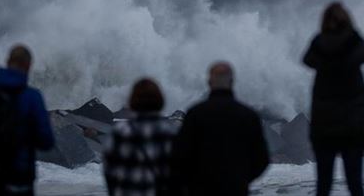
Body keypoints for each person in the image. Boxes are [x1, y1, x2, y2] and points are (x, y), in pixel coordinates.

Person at [303, 2, 364, 196]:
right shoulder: (353, 41)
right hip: (352, 129)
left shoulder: (319, 43)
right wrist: (352, 33)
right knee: (355, 185)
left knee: (323, 185)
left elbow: (307, 60)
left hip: (324, 129)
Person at [0, 45, 54, 196]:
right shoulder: (32, 97)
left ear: (7, 61)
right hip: (19, 180)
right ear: (28, 65)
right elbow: (46, 142)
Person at [172, 62, 269, 196]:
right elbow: (262, 158)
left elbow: (180, 156)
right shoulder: (248, 115)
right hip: (236, 189)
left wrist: (193, 181)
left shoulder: (195, 113)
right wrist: (241, 179)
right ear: (232, 81)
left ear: (209, 82)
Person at [103, 78, 179, 196]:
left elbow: (110, 174)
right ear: (160, 100)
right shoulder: (172, 133)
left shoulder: (119, 132)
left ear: (133, 101)